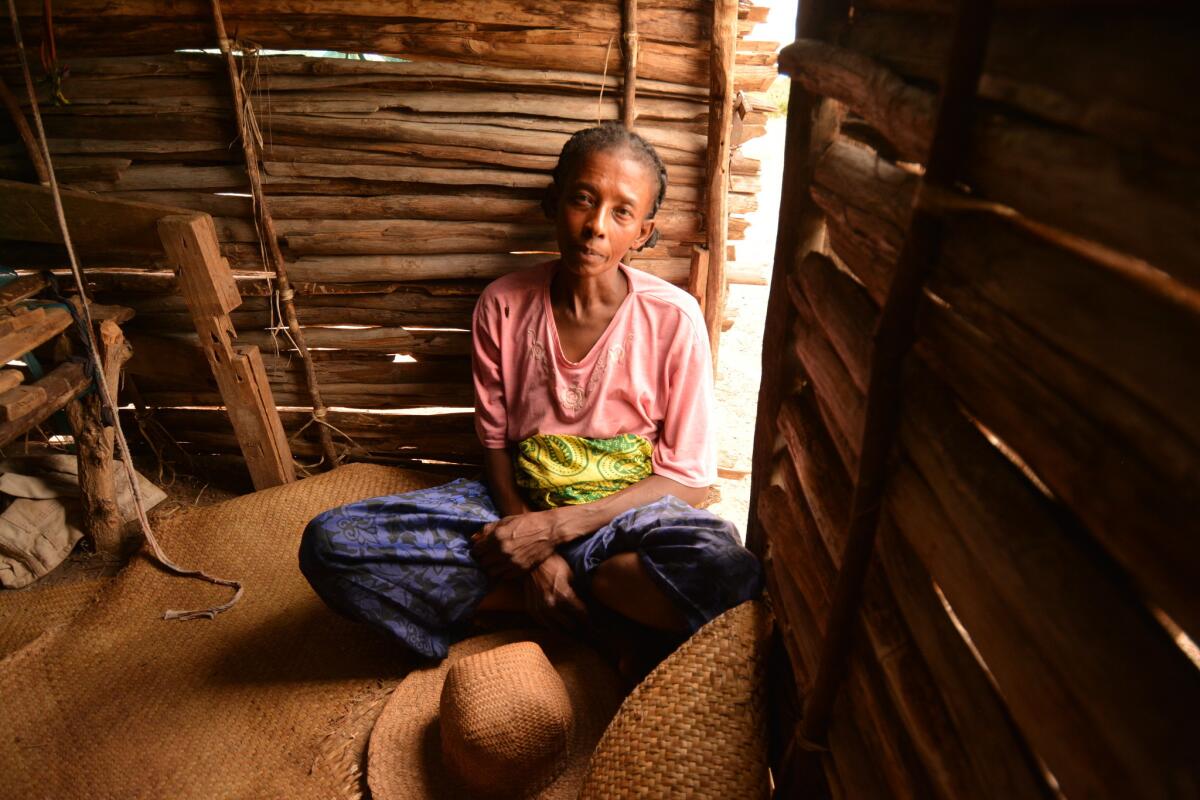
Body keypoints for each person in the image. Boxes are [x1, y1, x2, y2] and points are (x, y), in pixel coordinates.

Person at [299, 124, 762, 665]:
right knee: (331, 544)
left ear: (643, 231)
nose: (594, 227)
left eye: (621, 212)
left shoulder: (673, 318)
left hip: (624, 521)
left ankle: (546, 599)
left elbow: (686, 479)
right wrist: (531, 549)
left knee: (727, 569)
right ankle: (566, 601)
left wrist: (555, 530)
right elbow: (496, 445)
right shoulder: (504, 304)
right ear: (554, 203)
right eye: (583, 200)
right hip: (514, 504)